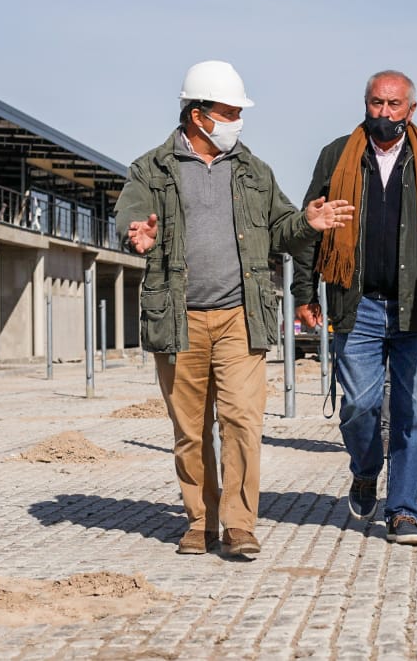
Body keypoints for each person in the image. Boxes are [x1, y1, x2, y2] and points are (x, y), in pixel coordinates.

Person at [114, 60, 351, 559]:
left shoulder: (253, 170)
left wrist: (308, 222)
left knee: (242, 421)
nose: (237, 121)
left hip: (242, 316)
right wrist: (138, 234)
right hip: (178, 320)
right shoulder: (150, 169)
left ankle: (239, 524)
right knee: (190, 430)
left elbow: (283, 225)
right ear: (198, 115)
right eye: (229, 112)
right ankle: (200, 521)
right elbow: (131, 216)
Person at [294, 70, 417, 546]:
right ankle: (365, 471)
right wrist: (305, 294)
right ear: (365, 104)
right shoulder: (338, 155)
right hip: (356, 303)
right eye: (376, 104)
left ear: (411, 109)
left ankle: (404, 510)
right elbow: (311, 226)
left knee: (413, 412)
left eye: (394, 105)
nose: (384, 113)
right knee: (359, 405)